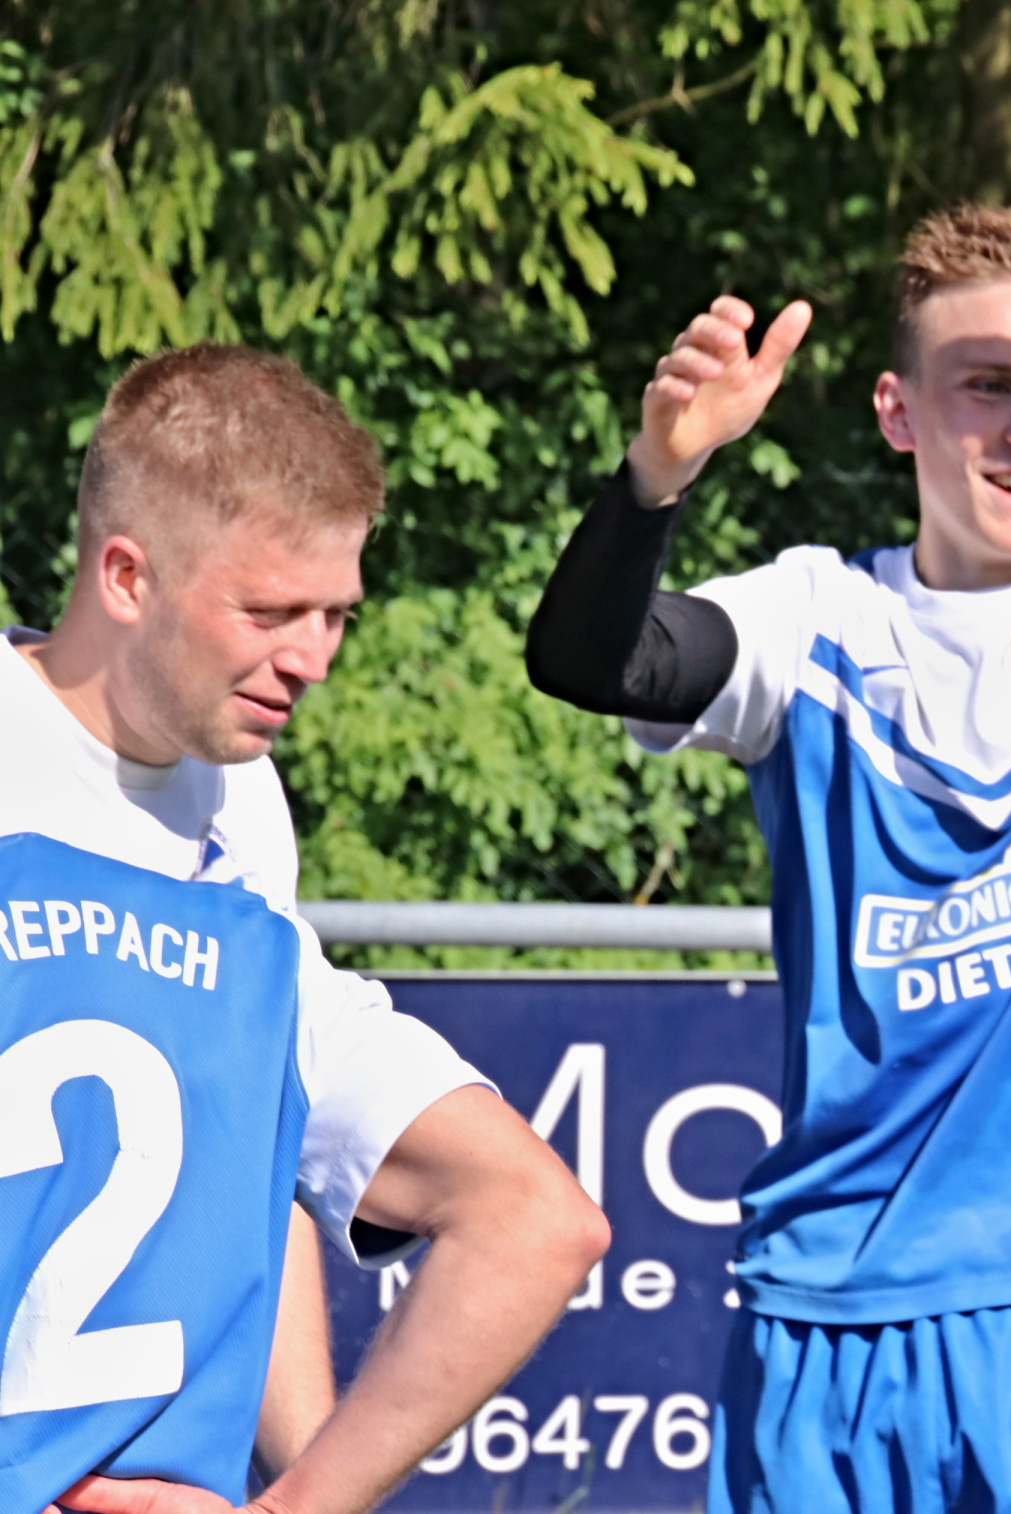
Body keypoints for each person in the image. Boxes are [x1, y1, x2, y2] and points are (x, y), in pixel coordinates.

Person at [525, 0, 1011, 1507]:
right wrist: (656, 475)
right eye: (986, 384)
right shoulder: (812, 616)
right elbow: (587, 660)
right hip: (824, 1324)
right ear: (897, 411)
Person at [0, 343, 610, 1512]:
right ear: (125, 575)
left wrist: (300, 1496)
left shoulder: (241, 810)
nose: (315, 659)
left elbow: (251, 1161)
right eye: (272, 610)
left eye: (337, 614)